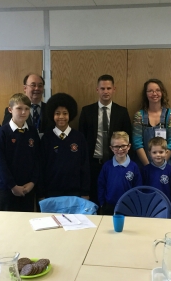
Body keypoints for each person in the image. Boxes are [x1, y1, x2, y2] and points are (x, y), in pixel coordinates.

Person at [79, 74, 132, 205]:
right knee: (94, 199)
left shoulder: (122, 112)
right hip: (93, 164)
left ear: (114, 89)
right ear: (97, 90)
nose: (106, 91)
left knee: (113, 198)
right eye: (102, 88)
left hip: (115, 163)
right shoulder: (87, 111)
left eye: (109, 88)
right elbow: (82, 140)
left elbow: (128, 137)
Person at [0, 93, 40, 212]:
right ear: (10, 109)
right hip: (7, 188)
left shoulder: (33, 132)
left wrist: (33, 182)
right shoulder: (2, 132)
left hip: (28, 188)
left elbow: (38, 159)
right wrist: (12, 186)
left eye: (26, 109)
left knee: (26, 223)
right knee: (9, 224)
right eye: (19, 108)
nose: (23, 112)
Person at [40, 93, 90, 199]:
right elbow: (41, 167)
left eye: (65, 113)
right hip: (51, 191)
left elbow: (85, 166)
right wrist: (41, 193)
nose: (61, 117)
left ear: (70, 114)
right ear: (52, 115)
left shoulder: (79, 137)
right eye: (57, 113)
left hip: (74, 192)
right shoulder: (46, 138)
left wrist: (85, 192)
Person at [132, 78, 171, 167]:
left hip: (166, 164)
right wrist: (148, 166)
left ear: (162, 93)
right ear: (145, 94)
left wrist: (161, 164)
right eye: (150, 91)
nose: (154, 94)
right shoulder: (139, 116)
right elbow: (137, 143)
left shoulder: (170, 115)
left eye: (158, 90)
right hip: (144, 165)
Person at [98, 131, 142, 215]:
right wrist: (102, 203)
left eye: (123, 146)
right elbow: (101, 185)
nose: (120, 149)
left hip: (129, 206)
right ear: (111, 148)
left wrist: (135, 203)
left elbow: (138, 187)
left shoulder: (134, 167)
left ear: (129, 146)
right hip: (109, 206)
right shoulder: (107, 166)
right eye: (116, 147)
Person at [2, 73, 53, 137]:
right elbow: (6, 134)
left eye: (40, 86)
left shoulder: (51, 109)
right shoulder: (13, 110)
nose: (37, 88)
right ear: (25, 88)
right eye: (33, 85)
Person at [142, 137, 171, 207]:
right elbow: (142, 190)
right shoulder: (145, 170)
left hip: (166, 205)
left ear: (166, 153)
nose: (158, 155)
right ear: (149, 154)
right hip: (149, 206)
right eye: (154, 152)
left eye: (161, 152)